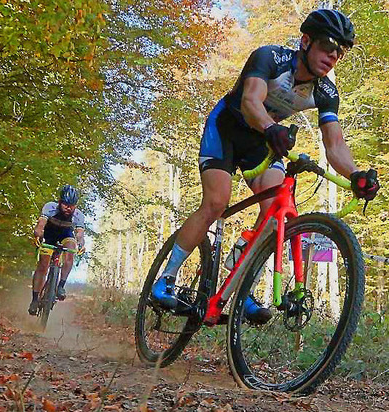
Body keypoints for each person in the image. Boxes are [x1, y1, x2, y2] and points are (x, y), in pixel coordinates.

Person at [151, 9, 380, 323]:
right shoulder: (270, 58)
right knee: (217, 201)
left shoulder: (326, 91)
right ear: (306, 41)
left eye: (340, 51)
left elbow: (335, 145)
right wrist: (270, 127)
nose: (332, 55)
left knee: (275, 214)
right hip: (228, 129)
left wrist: (355, 175)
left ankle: (240, 279)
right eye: (328, 45)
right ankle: (165, 279)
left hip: (264, 140)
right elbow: (250, 100)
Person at [28, 185, 85, 315]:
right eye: (65, 204)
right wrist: (37, 234)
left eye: (72, 205)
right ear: (59, 202)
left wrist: (81, 244)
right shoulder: (50, 207)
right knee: (43, 265)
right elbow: (41, 225)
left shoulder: (78, 216)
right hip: (49, 236)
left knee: (71, 250)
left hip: (66, 235)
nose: (68, 208)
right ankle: (35, 299)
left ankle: (60, 286)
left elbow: (80, 234)